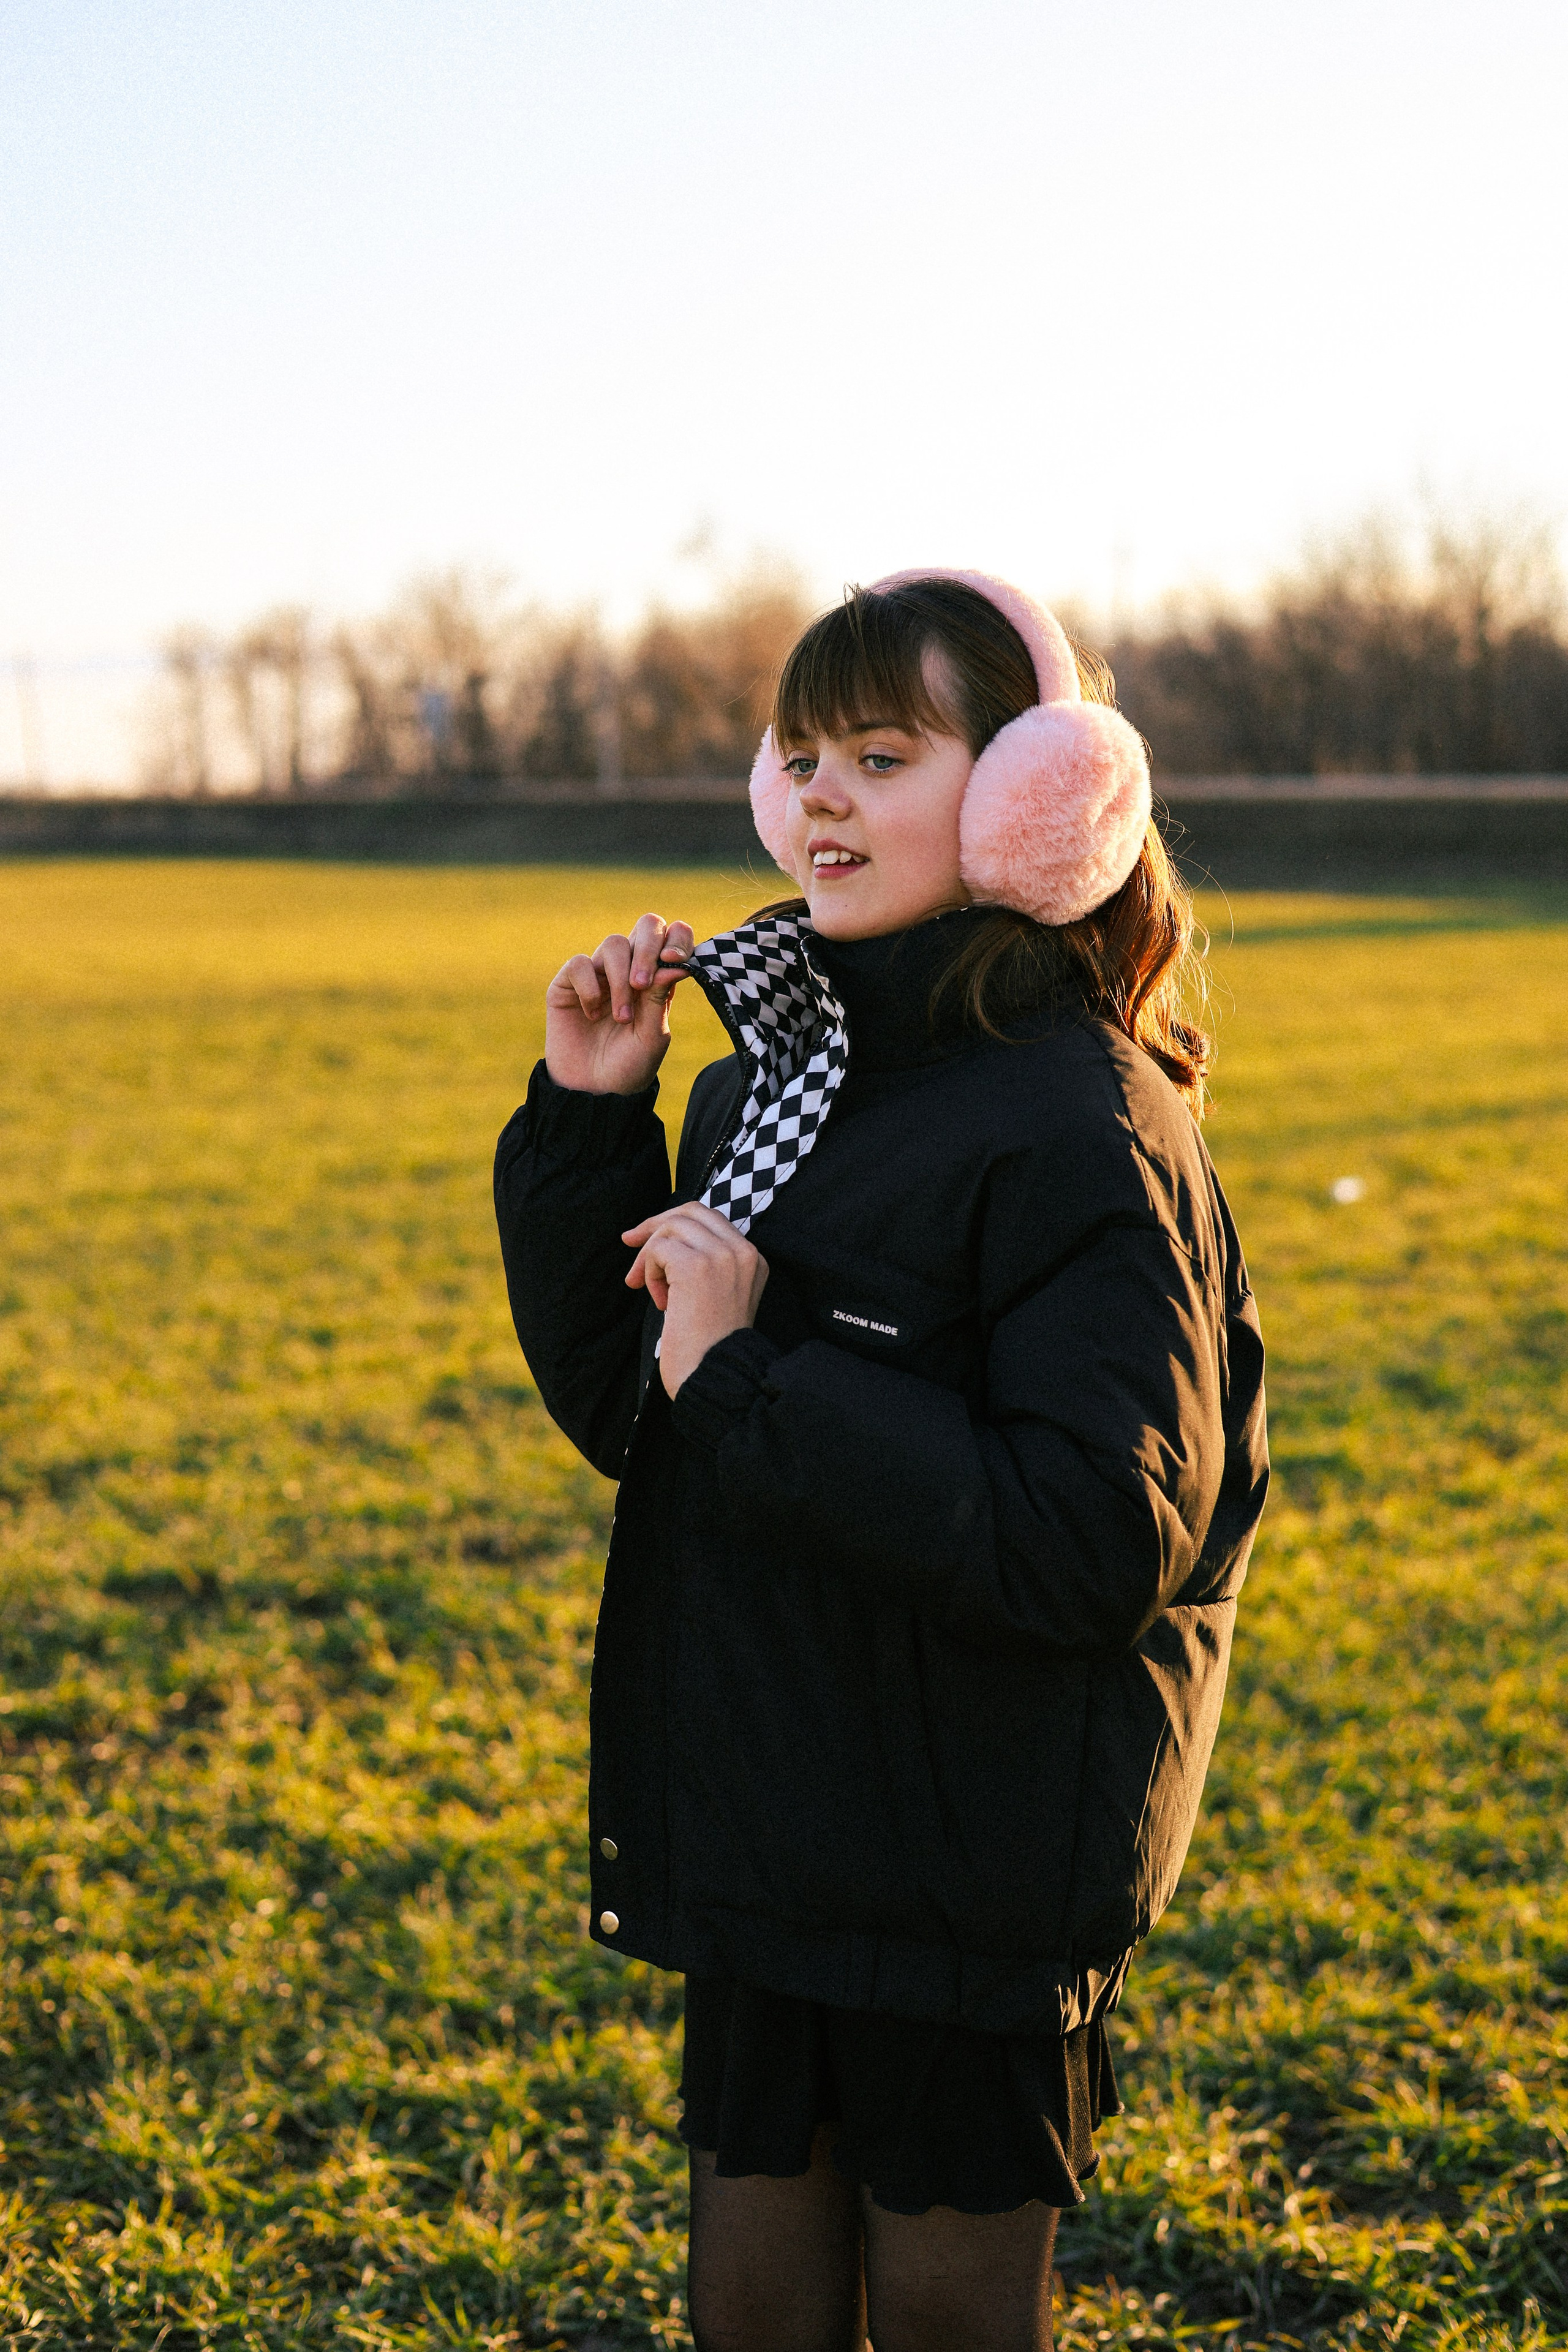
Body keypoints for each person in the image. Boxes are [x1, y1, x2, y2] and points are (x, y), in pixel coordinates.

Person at [494, 571, 1268, 2352]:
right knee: (747, 2299)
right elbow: (642, 1412)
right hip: (778, 1800)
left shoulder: (1085, 1123)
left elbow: (1091, 1533)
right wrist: (593, 1122)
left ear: (1034, 797)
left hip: (968, 1852)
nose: (821, 792)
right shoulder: (770, 1077)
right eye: (803, 752)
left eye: (882, 752)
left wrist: (757, 1373)